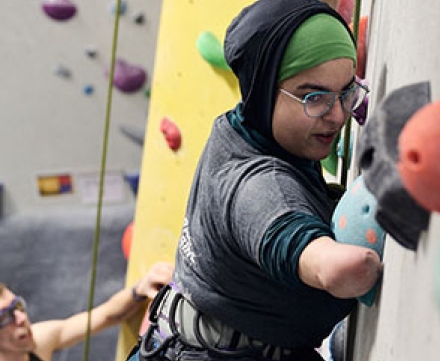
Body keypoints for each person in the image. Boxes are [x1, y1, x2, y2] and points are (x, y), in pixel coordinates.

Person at [130, 1, 383, 361]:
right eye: (315, 97)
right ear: (265, 91)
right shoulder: (257, 186)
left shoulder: (241, 128)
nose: (338, 114)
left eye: (345, 91)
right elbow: (333, 266)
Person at [0, 262, 174, 361]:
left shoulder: (39, 342)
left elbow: (105, 315)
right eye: (6, 317)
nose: (21, 317)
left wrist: (139, 291)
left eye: (17, 306)